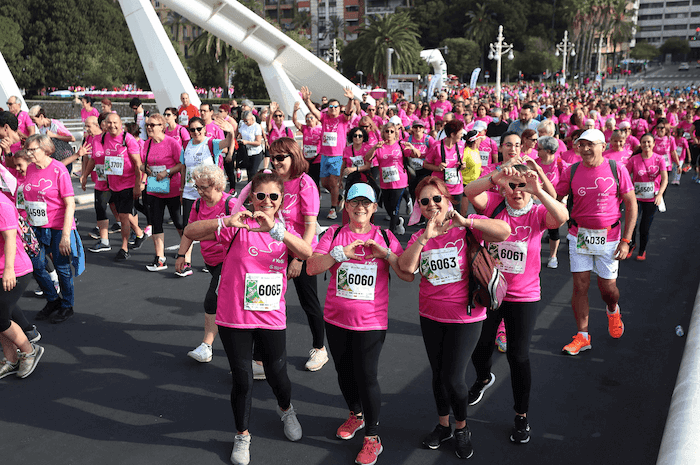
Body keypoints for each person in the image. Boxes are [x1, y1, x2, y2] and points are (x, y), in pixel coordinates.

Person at [184, 170, 312, 465]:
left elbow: (307, 252)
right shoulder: (238, 225)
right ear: (251, 197)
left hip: (270, 316)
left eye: (273, 196)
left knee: (278, 373)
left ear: (281, 201)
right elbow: (190, 232)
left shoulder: (286, 227)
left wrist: (277, 231)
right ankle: (242, 435)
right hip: (234, 316)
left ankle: (286, 409)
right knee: (243, 380)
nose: (266, 201)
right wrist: (225, 221)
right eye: (261, 195)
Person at [398, 177, 510, 459]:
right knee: (438, 375)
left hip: (466, 317)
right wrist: (426, 236)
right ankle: (443, 425)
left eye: (437, 198)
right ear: (419, 207)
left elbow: (504, 231)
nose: (431, 205)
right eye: (424, 201)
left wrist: (467, 221)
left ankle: (462, 428)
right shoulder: (418, 237)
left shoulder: (466, 229)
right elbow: (407, 270)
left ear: (447, 198)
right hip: (430, 314)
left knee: (454, 378)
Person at [306, 183, 413, 465]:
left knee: (366, 376)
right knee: (344, 373)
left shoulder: (386, 236)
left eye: (366, 203)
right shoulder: (334, 234)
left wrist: (385, 254)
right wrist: (339, 254)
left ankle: (372, 438)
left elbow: (407, 273)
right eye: (355, 202)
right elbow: (311, 267)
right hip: (336, 318)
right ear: (346, 206)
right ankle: (356, 415)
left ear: (374, 208)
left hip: (371, 321)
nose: (360, 208)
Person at [465, 163, 568, 445]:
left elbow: (561, 217)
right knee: (480, 345)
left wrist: (539, 191)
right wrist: (496, 178)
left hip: (524, 296)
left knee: (518, 356)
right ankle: (483, 377)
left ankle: (521, 415)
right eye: (513, 186)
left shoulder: (537, 213)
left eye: (523, 187)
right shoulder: (496, 204)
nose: (517, 192)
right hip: (491, 290)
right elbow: (469, 191)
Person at [554, 129, 637, 356]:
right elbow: (555, 195)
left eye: (591, 144)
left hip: (610, 238)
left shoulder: (616, 168)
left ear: (603, 146)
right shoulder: (571, 171)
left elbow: (631, 204)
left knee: (608, 289)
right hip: (578, 234)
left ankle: (613, 310)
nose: (586, 149)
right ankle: (582, 336)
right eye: (582, 145)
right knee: (580, 286)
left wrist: (626, 240)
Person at [268, 137, 328, 371]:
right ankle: (264, 354)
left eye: (280, 157)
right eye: (272, 157)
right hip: (274, 250)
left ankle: (320, 349)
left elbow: (311, 226)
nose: (275, 162)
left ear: (294, 156)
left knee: (308, 301)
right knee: (268, 300)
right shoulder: (273, 181)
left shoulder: (305, 183)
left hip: (301, 251)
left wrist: (299, 259)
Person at [21, 135, 84, 324]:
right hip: (36, 227)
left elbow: (70, 204)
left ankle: (67, 305)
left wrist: (66, 235)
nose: (29, 153)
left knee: (62, 267)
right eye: (27, 150)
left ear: (46, 149)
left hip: (58, 226)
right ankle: (52, 299)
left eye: (32, 150)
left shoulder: (58, 170)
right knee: (36, 265)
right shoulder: (30, 169)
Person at [177, 165, 235, 361]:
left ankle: (206, 346)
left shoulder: (232, 205)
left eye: (204, 187)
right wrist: (181, 255)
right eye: (197, 187)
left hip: (229, 261)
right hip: (211, 261)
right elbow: (189, 231)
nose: (200, 192)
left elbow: (242, 232)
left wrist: (210, 234)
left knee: (212, 299)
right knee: (229, 303)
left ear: (218, 186)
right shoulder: (198, 205)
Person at [179, 117, 236, 275]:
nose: (196, 132)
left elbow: (227, 142)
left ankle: (215, 258)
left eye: (199, 129)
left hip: (210, 194)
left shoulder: (211, 143)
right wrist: (181, 187)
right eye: (192, 130)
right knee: (188, 228)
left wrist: (230, 132)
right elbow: (184, 166)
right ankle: (187, 261)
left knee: (212, 226)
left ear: (204, 129)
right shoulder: (185, 145)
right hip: (191, 192)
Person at [0, 188, 45, 379]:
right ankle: (11, 359)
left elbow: (10, 238)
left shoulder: (2, 204)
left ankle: (29, 351)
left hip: (14, 270)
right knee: (1, 317)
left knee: (0, 319)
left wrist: (9, 270)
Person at [138, 114, 185, 271]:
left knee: (178, 222)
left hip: (172, 189)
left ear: (162, 126)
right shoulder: (146, 144)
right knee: (156, 222)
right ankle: (160, 259)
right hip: (155, 189)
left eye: (153, 125)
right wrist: (145, 169)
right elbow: (142, 164)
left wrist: (168, 171)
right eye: (148, 125)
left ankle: (185, 253)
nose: (149, 127)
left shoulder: (172, 143)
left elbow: (181, 164)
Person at [302, 86, 356, 220]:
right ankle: (338, 196)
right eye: (331, 106)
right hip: (324, 156)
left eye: (336, 107)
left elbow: (349, 111)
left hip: (337, 156)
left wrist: (350, 99)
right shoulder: (324, 118)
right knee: (325, 183)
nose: (333, 109)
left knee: (333, 182)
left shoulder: (343, 119)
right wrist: (307, 100)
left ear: (339, 108)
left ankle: (332, 209)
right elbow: (313, 110)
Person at [102, 113, 147, 260]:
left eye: (115, 123)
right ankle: (140, 233)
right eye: (109, 123)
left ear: (121, 124)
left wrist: (137, 185)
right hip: (113, 184)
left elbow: (137, 164)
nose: (112, 126)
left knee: (123, 217)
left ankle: (124, 247)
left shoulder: (127, 139)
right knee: (124, 215)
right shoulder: (104, 137)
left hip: (128, 184)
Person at [364, 122, 420, 236]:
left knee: (395, 208)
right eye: (387, 131)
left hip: (400, 181)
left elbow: (417, 155)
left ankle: (391, 233)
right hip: (385, 182)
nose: (389, 134)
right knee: (387, 207)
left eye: (392, 131)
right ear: (383, 133)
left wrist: (413, 148)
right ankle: (399, 221)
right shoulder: (380, 146)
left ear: (395, 134)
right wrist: (374, 148)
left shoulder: (401, 144)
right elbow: (367, 158)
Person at [625, 133, 668, 261]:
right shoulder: (634, 159)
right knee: (632, 224)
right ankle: (631, 245)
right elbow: (626, 176)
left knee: (644, 227)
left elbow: (665, 179)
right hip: (636, 198)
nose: (646, 145)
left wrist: (660, 194)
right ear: (640, 144)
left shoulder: (659, 159)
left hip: (651, 198)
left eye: (649, 142)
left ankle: (642, 250)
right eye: (643, 142)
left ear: (654, 144)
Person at [535, 136, 568, 269]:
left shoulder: (560, 164)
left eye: (539, 149)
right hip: (536, 203)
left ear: (548, 151)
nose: (536, 150)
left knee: (553, 230)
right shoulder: (535, 163)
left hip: (554, 202)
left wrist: (562, 201)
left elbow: (566, 183)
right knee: (535, 230)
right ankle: (534, 254)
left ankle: (553, 256)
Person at [424, 120, 466, 206]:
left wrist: (462, 166)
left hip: (456, 187)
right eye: (460, 133)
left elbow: (460, 163)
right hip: (440, 187)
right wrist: (437, 168)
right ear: (452, 134)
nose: (462, 135)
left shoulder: (461, 145)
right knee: (441, 215)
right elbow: (425, 164)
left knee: (456, 214)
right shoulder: (437, 146)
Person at [292, 101, 322, 185]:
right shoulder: (305, 128)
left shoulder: (320, 129)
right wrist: (295, 111)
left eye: (311, 118)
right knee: (307, 179)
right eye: (307, 118)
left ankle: (317, 196)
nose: (309, 120)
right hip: (306, 158)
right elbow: (295, 121)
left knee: (316, 180)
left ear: (316, 119)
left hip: (317, 158)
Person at [237, 111, 265, 181]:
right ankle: (250, 188)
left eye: (247, 121)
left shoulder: (256, 127)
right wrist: (239, 139)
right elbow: (239, 135)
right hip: (246, 152)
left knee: (253, 172)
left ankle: (253, 188)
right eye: (244, 121)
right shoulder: (243, 125)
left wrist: (247, 142)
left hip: (256, 152)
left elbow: (258, 142)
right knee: (248, 172)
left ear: (252, 119)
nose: (245, 123)